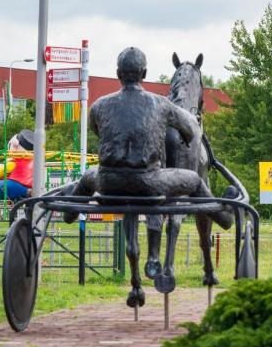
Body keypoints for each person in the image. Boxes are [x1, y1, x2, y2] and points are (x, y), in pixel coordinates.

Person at [65, 47, 232, 226]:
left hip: (108, 183)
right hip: (149, 183)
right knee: (195, 181)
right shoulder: (161, 104)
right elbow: (191, 128)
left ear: (117, 73)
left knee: (87, 177)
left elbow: (98, 131)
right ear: (144, 73)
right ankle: (225, 218)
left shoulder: (99, 106)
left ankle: (69, 214)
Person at [0, 129, 34, 201]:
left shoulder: (13, 163)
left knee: (1, 185)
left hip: (18, 185)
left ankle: (26, 192)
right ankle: (27, 192)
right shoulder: (33, 162)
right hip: (29, 184)